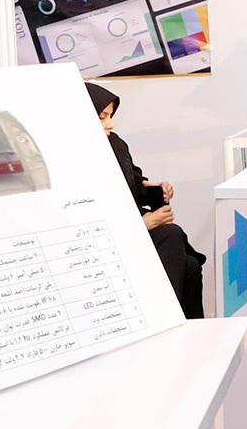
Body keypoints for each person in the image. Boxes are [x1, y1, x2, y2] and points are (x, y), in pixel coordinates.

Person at [88, 83, 206, 318]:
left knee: (190, 267)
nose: (110, 124)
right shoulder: (70, 158)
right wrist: (143, 225)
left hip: (131, 226)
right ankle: (166, 319)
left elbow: (134, 183)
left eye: (110, 116)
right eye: (102, 117)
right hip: (105, 238)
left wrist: (154, 189)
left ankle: (190, 329)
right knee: (171, 234)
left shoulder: (115, 144)